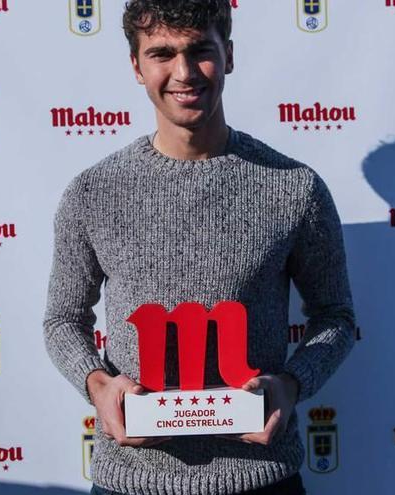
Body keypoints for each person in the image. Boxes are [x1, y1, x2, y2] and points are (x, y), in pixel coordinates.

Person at [43, 1, 355, 493]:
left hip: (261, 478)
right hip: (131, 480)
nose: (184, 73)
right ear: (136, 66)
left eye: (200, 51)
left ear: (228, 55)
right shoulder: (93, 193)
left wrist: (292, 385)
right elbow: (63, 319)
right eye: (162, 53)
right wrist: (97, 385)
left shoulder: (294, 188)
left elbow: (335, 315)